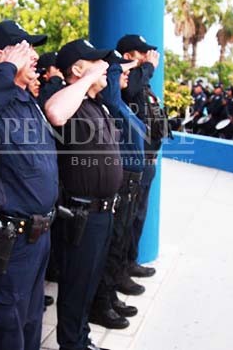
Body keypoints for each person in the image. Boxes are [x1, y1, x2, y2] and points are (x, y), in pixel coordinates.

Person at [0, 20, 57, 350]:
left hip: (39, 238)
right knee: (4, 329)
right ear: (2, 56)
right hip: (9, 241)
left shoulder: (25, 99)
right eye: (25, 48)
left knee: (31, 324)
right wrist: (4, 72)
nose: (34, 55)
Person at [45, 39, 121, 350]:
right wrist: (88, 78)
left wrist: (95, 80)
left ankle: (81, 339)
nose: (105, 66)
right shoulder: (64, 97)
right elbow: (55, 113)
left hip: (104, 211)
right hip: (81, 213)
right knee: (77, 284)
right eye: (95, 62)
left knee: (89, 282)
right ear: (77, 69)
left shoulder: (95, 103)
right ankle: (72, 344)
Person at [89, 52, 145, 330]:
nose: (125, 74)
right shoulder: (110, 101)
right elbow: (113, 85)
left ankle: (109, 296)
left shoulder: (122, 103)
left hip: (132, 184)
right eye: (118, 71)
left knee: (120, 244)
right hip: (121, 184)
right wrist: (123, 66)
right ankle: (102, 303)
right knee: (111, 248)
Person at [118, 34, 163, 286]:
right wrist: (147, 67)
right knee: (127, 217)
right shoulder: (127, 80)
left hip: (148, 159)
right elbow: (130, 90)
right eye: (141, 53)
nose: (147, 57)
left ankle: (130, 262)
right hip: (132, 163)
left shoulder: (143, 81)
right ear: (127, 57)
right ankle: (120, 271)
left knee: (138, 216)